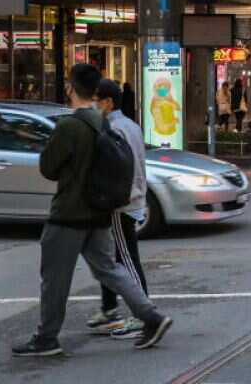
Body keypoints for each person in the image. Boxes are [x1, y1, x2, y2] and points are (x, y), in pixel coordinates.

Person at [12, 64, 173, 357]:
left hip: (69, 213)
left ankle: (47, 337)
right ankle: (151, 316)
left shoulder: (70, 125)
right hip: (100, 212)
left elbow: (48, 168)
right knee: (109, 269)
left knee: (54, 279)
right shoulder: (105, 122)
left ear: (72, 88)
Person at [88, 80, 154, 339]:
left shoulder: (114, 128)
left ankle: (143, 313)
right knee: (109, 258)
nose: (94, 105)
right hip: (129, 198)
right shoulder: (131, 126)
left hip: (121, 203)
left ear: (107, 102)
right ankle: (109, 307)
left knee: (126, 258)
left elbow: (119, 168)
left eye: (97, 100)